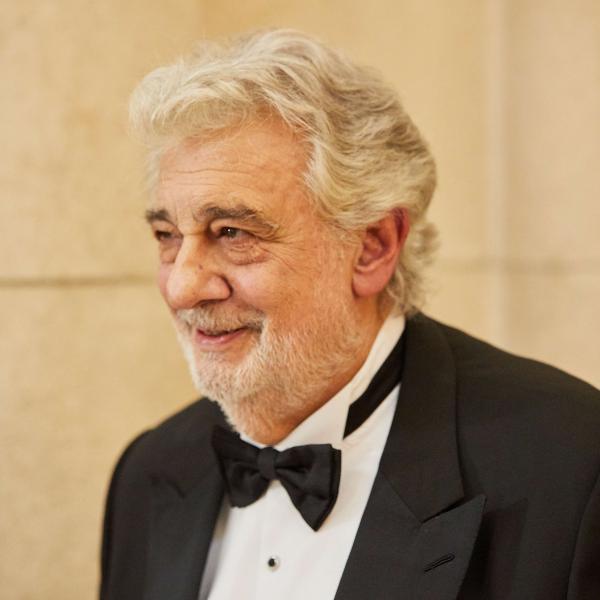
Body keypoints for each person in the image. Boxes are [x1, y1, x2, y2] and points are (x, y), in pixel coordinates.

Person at [100, 29, 600, 600]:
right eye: (167, 234)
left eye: (232, 232)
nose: (183, 286)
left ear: (372, 247)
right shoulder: (149, 472)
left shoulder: (572, 467)